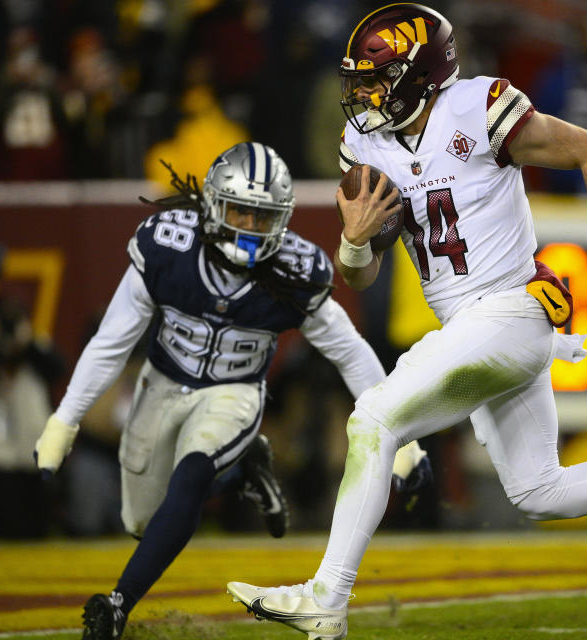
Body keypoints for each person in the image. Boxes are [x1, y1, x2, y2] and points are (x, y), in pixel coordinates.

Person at [225, 6, 587, 639]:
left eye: (377, 78)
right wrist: (353, 243)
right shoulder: (365, 146)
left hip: (508, 309)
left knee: (374, 418)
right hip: (479, 325)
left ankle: (326, 596)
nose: (362, 93)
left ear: (419, 76)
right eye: (359, 80)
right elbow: (361, 275)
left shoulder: (477, 109)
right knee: (539, 490)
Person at [32, 142, 429, 640]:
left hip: (235, 392)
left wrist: (403, 439)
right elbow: (112, 341)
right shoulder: (168, 247)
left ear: (281, 219)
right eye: (240, 211)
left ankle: (118, 602)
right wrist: (65, 419)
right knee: (143, 521)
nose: (249, 228)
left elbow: (350, 352)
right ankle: (245, 468)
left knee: (192, 475)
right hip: (162, 382)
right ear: (213, 206)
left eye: (263, 217)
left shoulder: (293, 271)